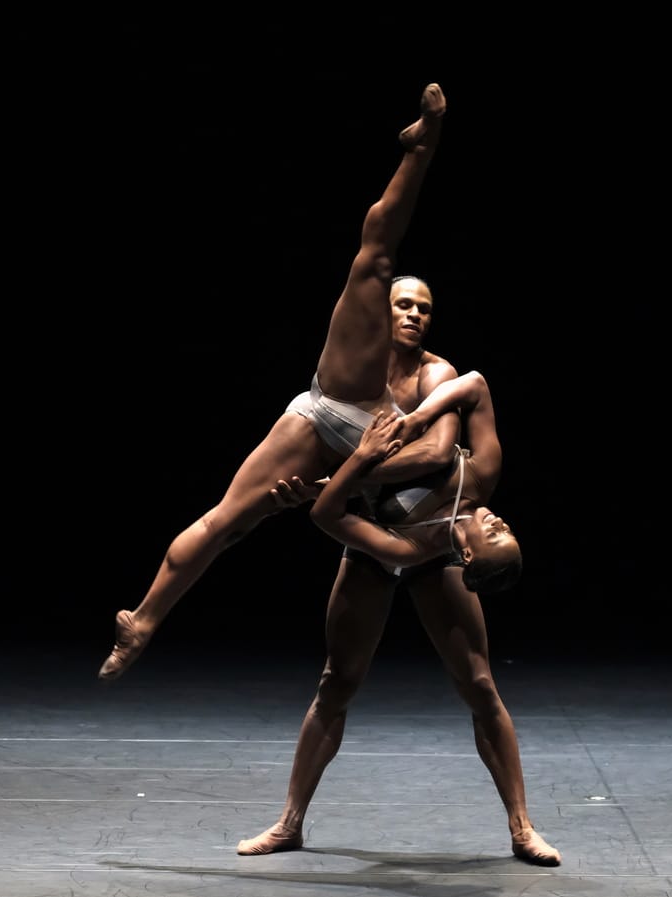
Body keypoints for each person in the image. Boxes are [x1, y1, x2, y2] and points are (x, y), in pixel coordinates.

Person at [97, 82, 451, 681]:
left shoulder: (436, 373)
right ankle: (145, 620)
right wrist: (343, 475)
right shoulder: (360, 345)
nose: (415, 314)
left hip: (369, 488)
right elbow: (379, 247)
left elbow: (436, 455)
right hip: (333, 417)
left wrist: (334, 483)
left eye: (425, 309)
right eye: (405, 305)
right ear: (383, 311)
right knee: (227, 521)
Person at [238, 298, 560, 865]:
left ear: (470, 552)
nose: (499, 520)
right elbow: (476, 384)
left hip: (419, 559)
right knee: (337, 681)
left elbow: (329, 512)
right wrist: (398, 431)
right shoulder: (480, 472)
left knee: (480, 685)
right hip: (370, 554)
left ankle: (522, 827)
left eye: (497, 534)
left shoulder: (425, 545)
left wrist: (351, 470)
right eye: (403, 305)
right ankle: (289, 823)